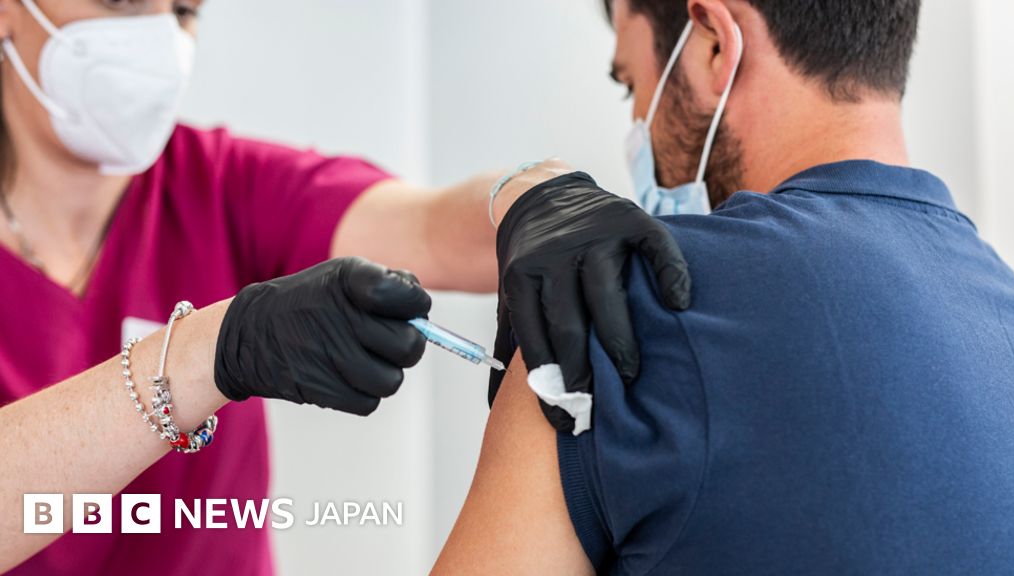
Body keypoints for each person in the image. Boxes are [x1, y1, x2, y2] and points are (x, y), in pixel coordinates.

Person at [0, 0, 691, 573]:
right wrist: (210, 351)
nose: (158, 37)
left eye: (183, 10)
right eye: (122, 1)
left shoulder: (214, 182)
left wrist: (531, 199)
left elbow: (426, 225)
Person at [436, 0, 1014, 574]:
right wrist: (516, 191)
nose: (637, 119)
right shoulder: (1011, 313)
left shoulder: (614, 300)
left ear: (714, 42)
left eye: (630, 84)